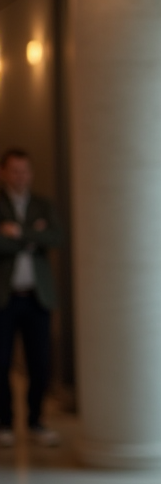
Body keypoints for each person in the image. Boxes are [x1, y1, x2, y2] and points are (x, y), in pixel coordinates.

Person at [0, 150, 63, 448]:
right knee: (1, 363)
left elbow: (56, 237)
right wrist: (32, 236)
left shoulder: (42, 204)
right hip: (5, 298)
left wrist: (18, 233)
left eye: (25, 171)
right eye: (15, 171)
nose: (20, 176)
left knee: (41, 363)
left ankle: (36, 421)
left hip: (38, 298)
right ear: (4, 173)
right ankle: (4, 423)